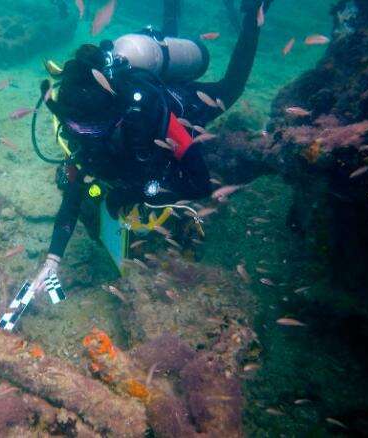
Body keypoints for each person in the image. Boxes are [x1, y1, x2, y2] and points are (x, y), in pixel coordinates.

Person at [29, 0, 272, 296]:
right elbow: (73, 195)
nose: (86, 138)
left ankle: (252, 15)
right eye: (77, 130)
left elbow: (199, 183)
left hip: (178, 104)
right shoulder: (80, 124)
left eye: (93, 130)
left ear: (115, 115)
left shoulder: (150, 115)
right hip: (128, 135)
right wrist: (52, 261)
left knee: (230, 88)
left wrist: (140, 191)